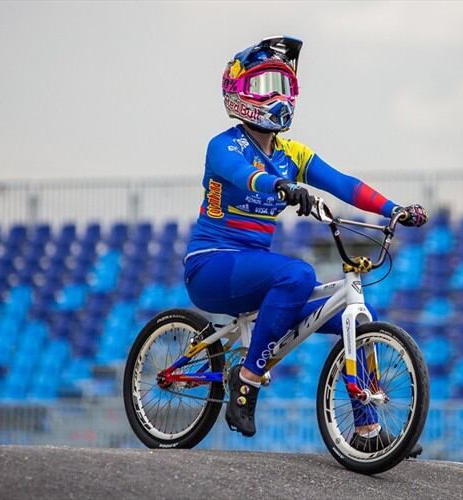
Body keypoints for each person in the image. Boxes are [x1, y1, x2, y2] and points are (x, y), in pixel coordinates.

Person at [183, 36, 428, 454]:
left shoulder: (291, 152)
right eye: (264, 87)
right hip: (211, 265)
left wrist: (394, 209)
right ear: (238, 93)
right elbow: (244, 175)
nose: (276, 96)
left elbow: (344, 184)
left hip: (253, 271)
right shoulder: (224, 145)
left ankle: (368, 431)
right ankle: (246, 382)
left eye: (282, 85)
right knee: (298, 273)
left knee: (356, 320)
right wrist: (282, 185)